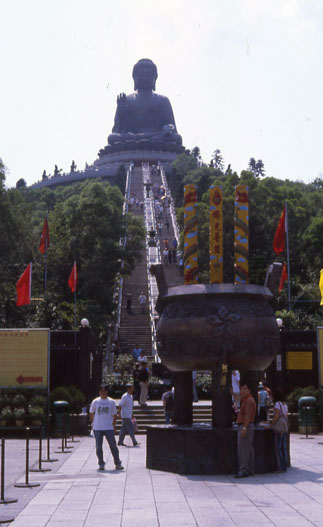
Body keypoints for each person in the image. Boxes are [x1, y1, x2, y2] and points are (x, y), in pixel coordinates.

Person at [89, 385, 123, 471]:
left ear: (107, 392)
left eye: (104, 391)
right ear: (99, 392)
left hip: (108, 427)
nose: (103, 392)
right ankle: (101, 464)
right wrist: (93, 423)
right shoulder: (95, 401)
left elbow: (115, 415)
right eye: (101, 391)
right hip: (97, 428)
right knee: (98, 447)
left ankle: (118, 463)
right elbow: (91, 413)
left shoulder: (111, 402)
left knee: (113, 446)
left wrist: (114, 425)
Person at [235, 382, 256, 478]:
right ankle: (250, 469)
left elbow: (247, 416)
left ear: (249, 390)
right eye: (241, 389)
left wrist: (244, 428)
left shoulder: (249, 401)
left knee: (243, 449)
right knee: (248, 449)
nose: (242, 391)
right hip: (246, 426)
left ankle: (243, 470)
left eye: (244, 388)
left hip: (245, 426)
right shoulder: (246, 400)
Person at [271, 389, 288, 473]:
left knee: (278, 448)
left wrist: (272, 424)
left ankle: (280, 466)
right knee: (283, 447)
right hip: (284, 427)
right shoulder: (284, 404)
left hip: (279, 427)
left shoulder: (277, 404)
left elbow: (276, 416)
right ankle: (285, 465)